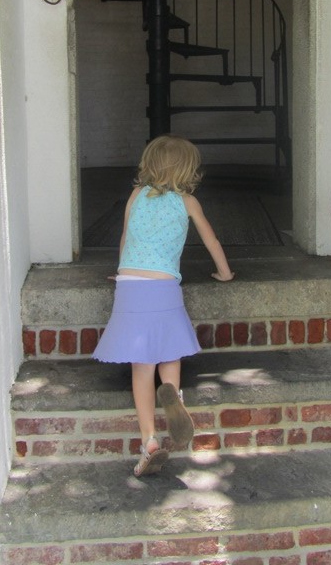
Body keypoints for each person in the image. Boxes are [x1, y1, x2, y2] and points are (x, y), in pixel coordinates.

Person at [93, 134, 235, 476]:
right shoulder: (187, 202)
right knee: (169, 352)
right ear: (187, 169)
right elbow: (211, 239)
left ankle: (149, 442)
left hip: (130, 286)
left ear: (149, 164)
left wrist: (121, 272)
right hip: (164, 285)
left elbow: (126, 237)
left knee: (142, 367)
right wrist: (225, 273)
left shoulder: (135, 195)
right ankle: (173, 395)